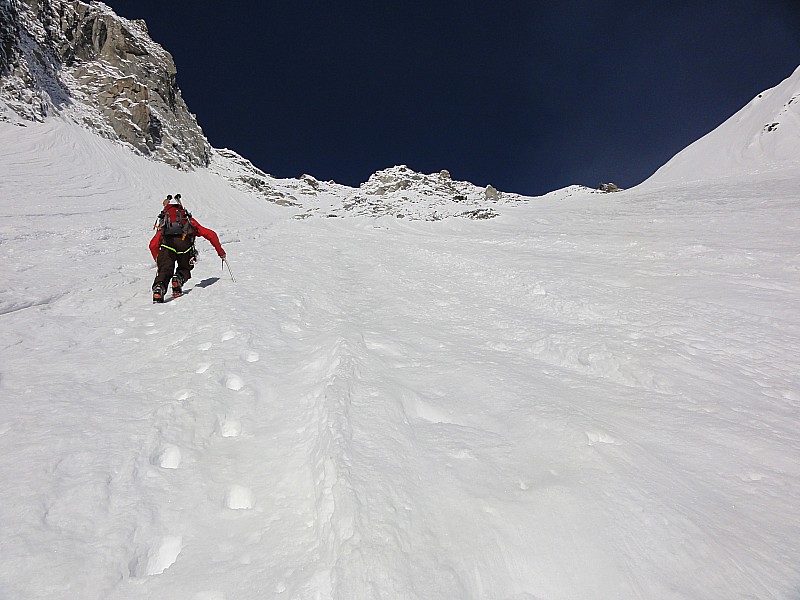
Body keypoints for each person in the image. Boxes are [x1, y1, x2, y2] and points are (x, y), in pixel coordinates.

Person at [150, 194, 226, 302]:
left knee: (164, 270)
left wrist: (159, 262)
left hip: (167, 245)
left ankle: (159, 289)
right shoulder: (188, 221)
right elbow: (211, 234)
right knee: (185, 268)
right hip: (185, 247)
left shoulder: (164, 225)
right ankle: (179, 278)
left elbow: (152, 245)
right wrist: (221, 252)